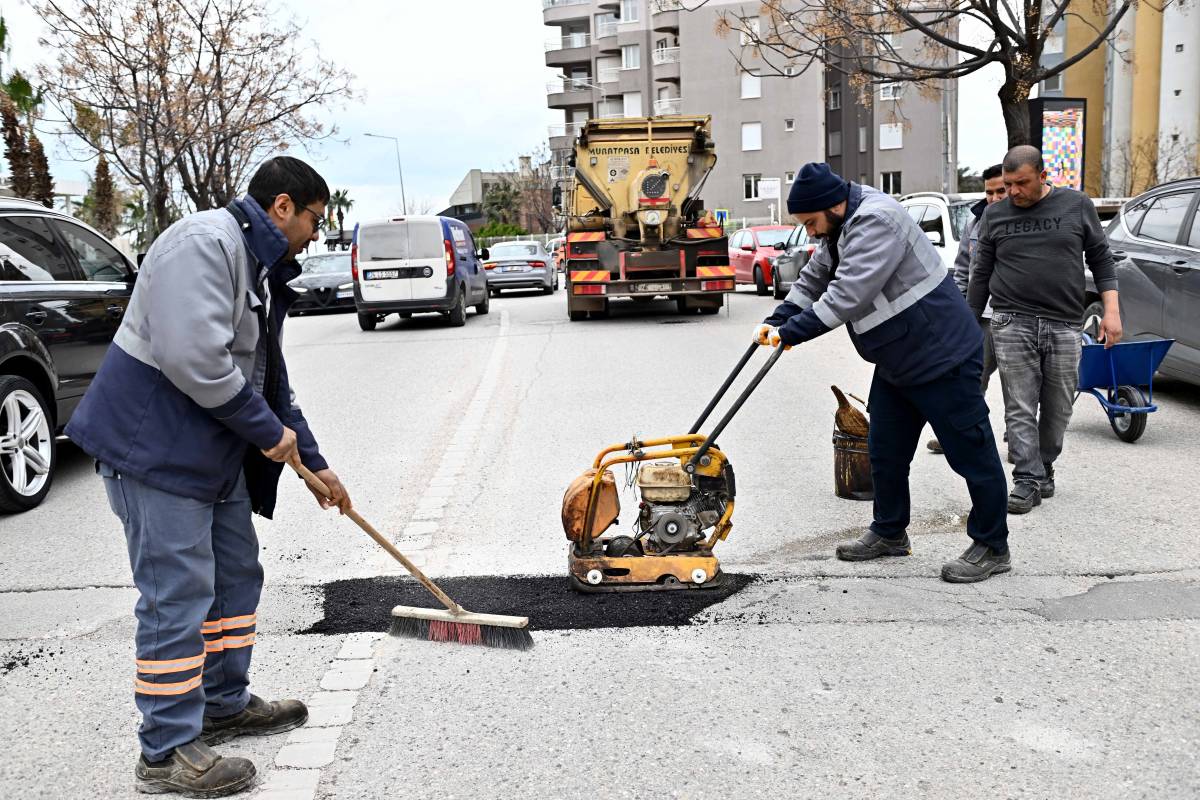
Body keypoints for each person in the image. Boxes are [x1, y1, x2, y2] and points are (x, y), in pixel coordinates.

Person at [66, 157, 351, 797]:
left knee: (234, 577)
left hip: (208, 457)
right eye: (312, 219)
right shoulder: (204, 244)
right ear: (282, 206)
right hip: (155, 453)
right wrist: (267, 434)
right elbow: (196, 358)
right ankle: (165, 752)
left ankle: (223, 704)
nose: (314, 233)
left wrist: (314, 460)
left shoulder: (256, 265)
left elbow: (266, 378)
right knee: (178, 597)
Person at [759, 162, 1011, 583]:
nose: (812, 232)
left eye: (811, 222)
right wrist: (778, 317)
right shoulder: (840, 225)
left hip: (941, 353)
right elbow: (815, 277)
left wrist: (792, 332)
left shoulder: (876, 220)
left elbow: (846, 295)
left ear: (832, 206)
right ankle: (890, 531)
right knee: (885, 450)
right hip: (899, 358)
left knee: (971, 453)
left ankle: (992, 544)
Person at [967, 145, 1122, 514]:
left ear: (1042, 174)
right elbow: (980, 276)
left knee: (1058, 408)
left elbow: (1101, 258)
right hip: (1011, 321)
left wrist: (1112, 311)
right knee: (1019, 405)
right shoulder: (994, 216)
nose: (1014, 192)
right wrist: (968, 325)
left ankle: (1044, 464)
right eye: (1008, 184)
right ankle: (1026, 478)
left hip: (1065, 323)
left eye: (1021, 183)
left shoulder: (1076, 205)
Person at [927, 163, 1008, 455]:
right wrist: (960, 313)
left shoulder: (1021, 223)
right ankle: (959, 435)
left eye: (1001, 190)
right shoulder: (974, 223)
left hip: (1013, 318)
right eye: (989, 192)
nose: (995, 197)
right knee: (970, 381)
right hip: (979, 318)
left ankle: (1019, 442)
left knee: (1017, 388)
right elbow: (962, 270)